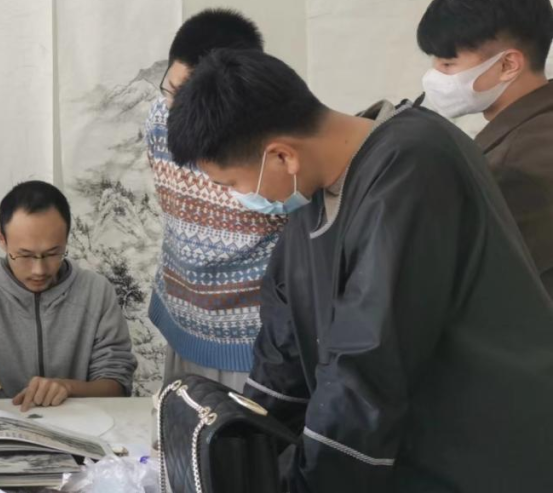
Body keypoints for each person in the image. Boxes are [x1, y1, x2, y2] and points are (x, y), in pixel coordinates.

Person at [168, 48, 553, 492]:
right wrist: (243, 443)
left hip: (478, 452)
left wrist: (307, 484)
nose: (236, 198)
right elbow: (285, 343)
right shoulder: (313, 189)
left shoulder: (413, 168)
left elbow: (369, 358)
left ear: (282, 157)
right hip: (404, 440)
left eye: (231, 184)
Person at [146, 9, 287, 390]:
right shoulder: (159, 116)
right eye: (170, 88)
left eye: (187, 97)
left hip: (250, 335)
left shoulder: (271, 145)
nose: (173, 107)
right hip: (182, 313)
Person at [0, 181, 137, 411]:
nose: (39, 270)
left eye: (53, 253)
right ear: (1, 239)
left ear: (67, 239)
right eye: (24, 255)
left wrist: (68, 388)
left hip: (80, 428)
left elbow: (117, 384)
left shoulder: (96, 293)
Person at [418, 0, 553, 297]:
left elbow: (484, 281)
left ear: (508, 65)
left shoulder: (518, 163)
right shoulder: (534, 125)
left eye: (448, 64)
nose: (434, 76)